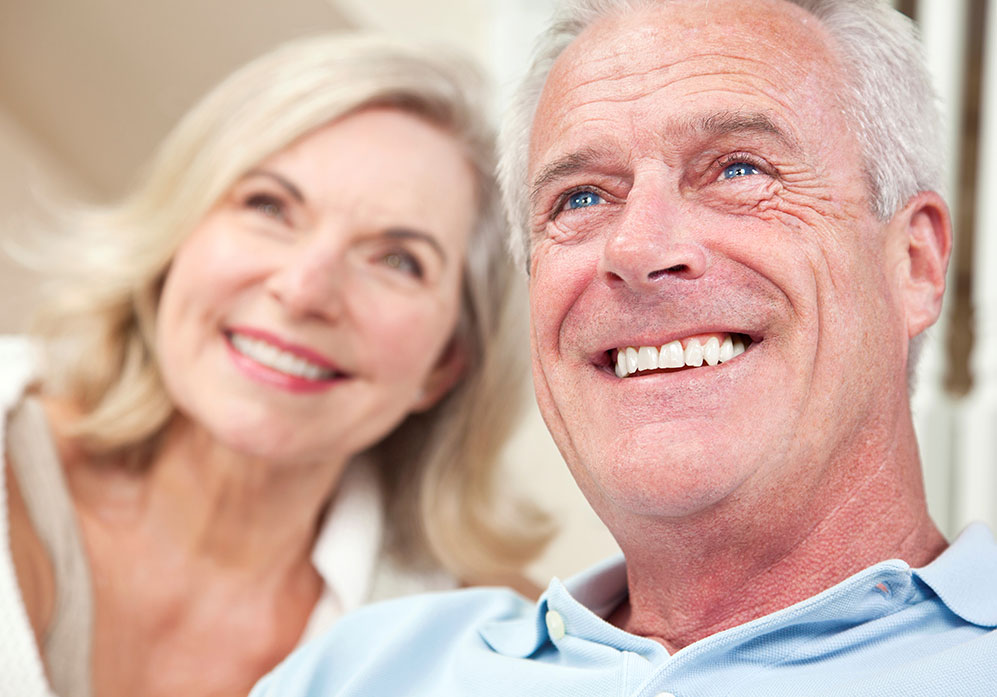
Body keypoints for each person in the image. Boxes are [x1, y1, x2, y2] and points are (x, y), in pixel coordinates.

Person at [249, 0, 997, 695]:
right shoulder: (363, 669)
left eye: (738, 168)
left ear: (915, 263)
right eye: (580, 197)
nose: (637, 246)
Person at [0, 33, 550, 697]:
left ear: (444, 363)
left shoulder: (493, 652)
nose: (303, 289)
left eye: (397, 259)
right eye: (269, 206)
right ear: (180, 234)